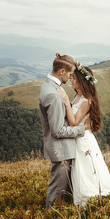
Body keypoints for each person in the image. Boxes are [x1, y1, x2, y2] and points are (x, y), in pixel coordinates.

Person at [57, 62, 110, 207]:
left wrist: (66, 102)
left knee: (85, 168)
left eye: (74, 78)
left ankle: (88, 194)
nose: (71, 81)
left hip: (83, 139)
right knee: (81, 169)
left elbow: (74, 122)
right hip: (79, 137)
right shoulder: (78, 97)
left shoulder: (86, 100)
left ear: (82, 81)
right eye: (71, 78)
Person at [39, 53, 87, 208]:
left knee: (65, 190)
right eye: (70, 74)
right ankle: (50, 216)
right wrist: (81, 130)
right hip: (61, 150)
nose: (71, 77)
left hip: (63, 149)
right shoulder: (53, 94)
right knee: (57, 190)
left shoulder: (49, 86)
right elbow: (58, 131)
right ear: (61, 72)